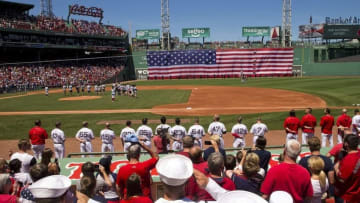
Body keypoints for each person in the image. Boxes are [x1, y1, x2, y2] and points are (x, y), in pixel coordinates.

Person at [334, 134, 360, 203]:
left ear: (346, 144)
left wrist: (336, 167)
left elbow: (342, 179)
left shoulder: (348, 160)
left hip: (349, 195)